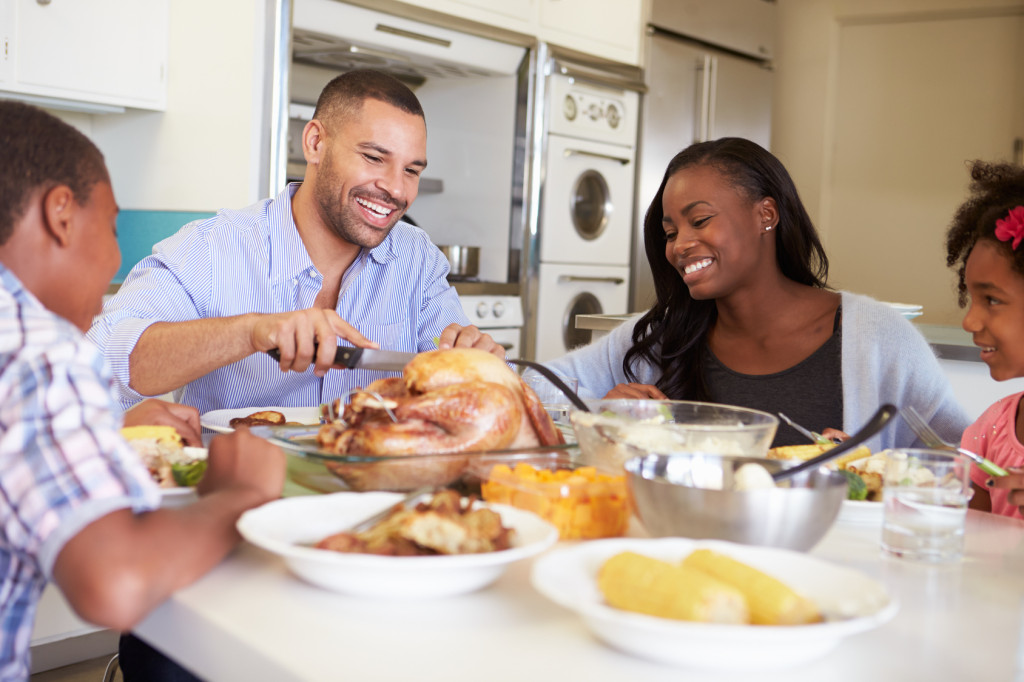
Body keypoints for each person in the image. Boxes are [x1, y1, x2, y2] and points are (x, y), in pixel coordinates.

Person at [0, 100, 286, 680]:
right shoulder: (39, 348)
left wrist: (104, 435)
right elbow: (116, 584)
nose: (116, 256)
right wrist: (237, 495)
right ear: (60, 214)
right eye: (111, 227)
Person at [87, 69, 502, 415]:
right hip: (240, 498)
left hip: (376, 497)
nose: (396, 189)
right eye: (374, 158)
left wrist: (474, 364)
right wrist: (252, 332)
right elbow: (99, 363)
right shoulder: (214, 249)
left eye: (411, 170)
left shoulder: (417, 260)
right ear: (316, 143)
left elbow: (453, 388)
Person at [545, 137, 969, 450]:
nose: (679, 245)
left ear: (765, 214)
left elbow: (961, 465)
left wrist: (871, 471)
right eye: (670, 232)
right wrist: (595, 409)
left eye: (700, 220)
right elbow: (534, 388)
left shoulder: (879, 338)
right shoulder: (664, 334)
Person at [945, 160, 1024, 518]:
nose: (969, 320)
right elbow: (973, 544)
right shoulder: (993, 428)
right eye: (972, 298)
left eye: (991, 300)